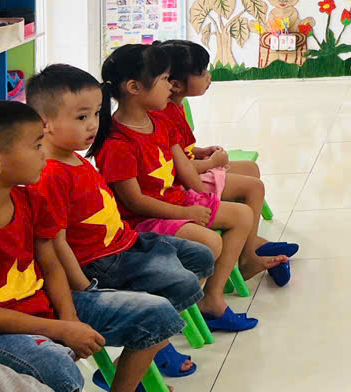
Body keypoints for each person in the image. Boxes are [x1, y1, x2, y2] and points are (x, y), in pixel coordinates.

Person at [24, 66, 217, 382]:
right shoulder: (50, 174)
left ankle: (152, 340)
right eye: (82, 117)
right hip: (99, 262)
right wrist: (85, 289)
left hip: (125, 243)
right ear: (44, 123)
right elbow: (55, 244)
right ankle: (151, 341)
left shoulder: (75, 157)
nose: (93, 124)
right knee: (181, 283)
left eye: (96, 113)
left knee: (201, 256)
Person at [88, 44, 287, 330]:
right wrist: (188, 213)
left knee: (241, 215)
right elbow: (135, 203)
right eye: (164, 79)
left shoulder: (158, 121)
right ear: (134, 87)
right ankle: (196, 304)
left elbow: (182, 168)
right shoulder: (118, 143)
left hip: (176, 201)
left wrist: (204, 198)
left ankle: (214, 294)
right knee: (210, 241)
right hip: (145, 220)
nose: (170, 86)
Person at [0, 101, 182, 392]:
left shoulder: (30, 199)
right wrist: (63, 329)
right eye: (36, 146)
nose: (44, 154)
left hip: (47, 305)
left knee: (158, 313)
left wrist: (69, 317)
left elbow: (51, 265)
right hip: (1, 331)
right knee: (58, 369)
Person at [158, 41, 294, 264]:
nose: (208, 77)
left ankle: (247, 242)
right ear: (176, 85)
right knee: (254, 187)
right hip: (183, 183)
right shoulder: (164, 115)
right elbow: (175, 167)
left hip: (189, 173)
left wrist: (200, 151)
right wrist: (211, 163)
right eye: (202, 72)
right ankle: (247, 254)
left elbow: (180, 152)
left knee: (250, 168)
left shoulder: (175, 107)